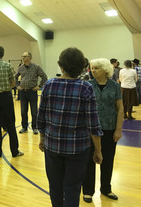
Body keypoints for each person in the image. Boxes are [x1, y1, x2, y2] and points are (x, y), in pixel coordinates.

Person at [37, 47, 103, 207]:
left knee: (55, 187)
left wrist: (42, 139)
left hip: (52, 146)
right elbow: (93, 123)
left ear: (61, 66)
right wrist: (98, 150)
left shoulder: (49, 84)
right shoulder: (86, 87)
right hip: (78, 149)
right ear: (82, 68)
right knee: (72, 189)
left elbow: (41, 117)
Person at [82, 58, 124, 203]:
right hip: (90, 130)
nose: (93, 71)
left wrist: (118, 130)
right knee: (88, 160)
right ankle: (87, 190)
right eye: (92, 68)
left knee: (108, 159)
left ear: (105, 70)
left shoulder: (114, 86)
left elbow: (120, 109)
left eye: (96, 68)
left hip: (109, 128)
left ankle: (106, 188)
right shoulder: (88, 85)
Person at [0, 46, 23, 158]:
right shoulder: (8, 66)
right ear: (3, 54)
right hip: (6, 96)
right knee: (10, 124)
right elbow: (13, 83)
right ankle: (14, 151)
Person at [15, 52, 48, 135]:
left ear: (29, 57)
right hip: (23, 92)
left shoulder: (36, 67)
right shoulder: (21, 68)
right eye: (22, 56)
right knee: (23, 111)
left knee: (34, 111)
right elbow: (14, 77)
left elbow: (44, 76)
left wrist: (39, 86)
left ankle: (35, 127)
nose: (23, 58)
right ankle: (24, 127)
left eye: (25, 56)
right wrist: (17, 86)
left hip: (32, 92)